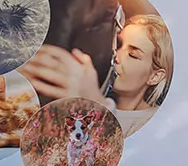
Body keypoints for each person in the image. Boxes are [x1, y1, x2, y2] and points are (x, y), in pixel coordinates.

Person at [19, 14, 174, 136]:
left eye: (132, 55)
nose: (116, 57)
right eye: (118, 45)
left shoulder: (160, 123)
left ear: (155, 76)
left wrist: (93, 103)